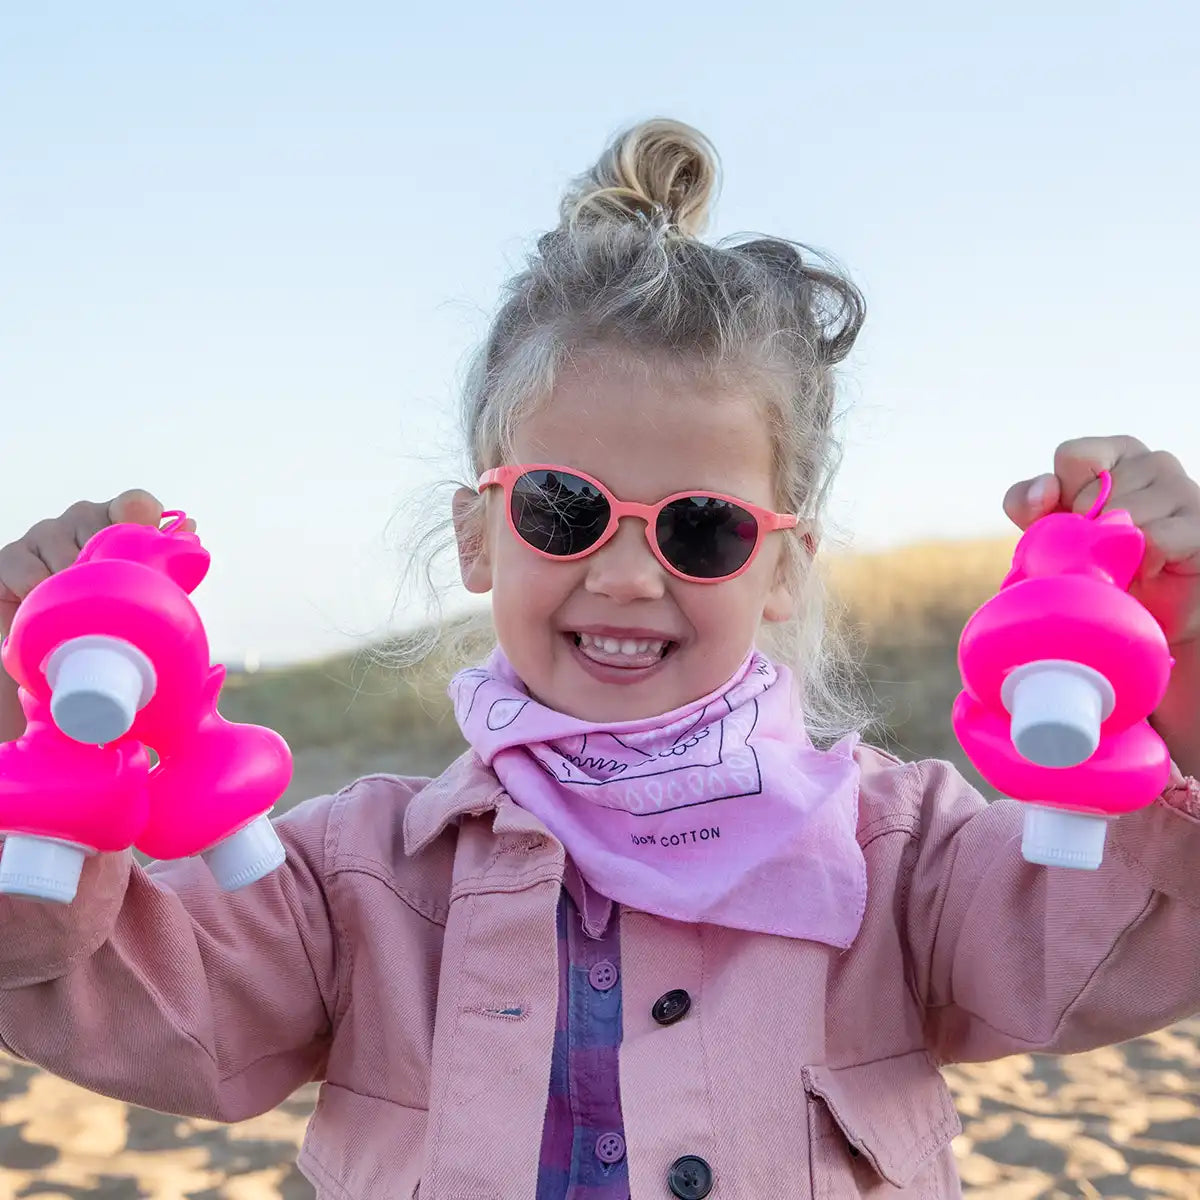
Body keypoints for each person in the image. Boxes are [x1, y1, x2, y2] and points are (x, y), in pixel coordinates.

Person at [1, 118, 1199, 1200]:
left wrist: (1181, 661)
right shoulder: (352, 881)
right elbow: (104, 1000)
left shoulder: (904, 860)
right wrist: (38, 737)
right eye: (564, 509)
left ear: (782, 570)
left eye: (703, 527)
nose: (628, 575)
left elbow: (1129, 947)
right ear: (479, 537)